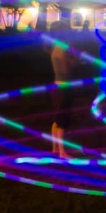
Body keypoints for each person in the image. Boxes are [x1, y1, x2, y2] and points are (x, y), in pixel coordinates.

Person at [48, 21, 79, 158]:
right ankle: (62, 152)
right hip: (64, 85)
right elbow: (66, 69)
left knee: (56, 118)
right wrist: (76, 60)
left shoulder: (54, 46)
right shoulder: (63, 47)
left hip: (56, 84)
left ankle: (55, 149)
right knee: (63, 120)